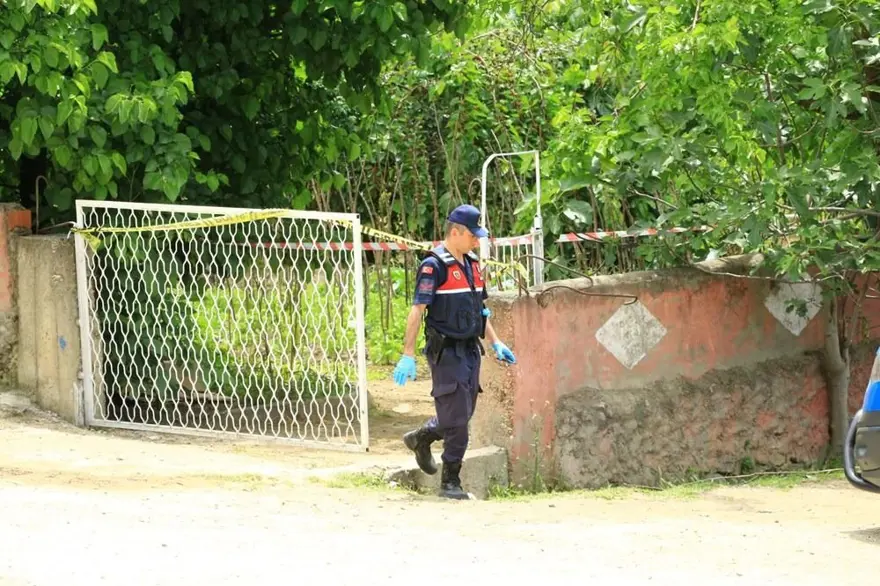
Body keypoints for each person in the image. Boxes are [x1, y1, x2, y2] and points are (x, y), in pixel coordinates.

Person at [392, 204, 516, 500]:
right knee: (457, 418)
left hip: (471, 351)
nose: (477, 240)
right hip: (446, 352)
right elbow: (417, 310)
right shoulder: (433, 265)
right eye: (474, 235)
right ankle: (451, 483)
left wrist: (496, 342)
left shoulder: (473, 265)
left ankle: (422, 437)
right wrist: (407, 353)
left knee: (463, 413)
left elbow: (480, 310)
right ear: (456, 231)